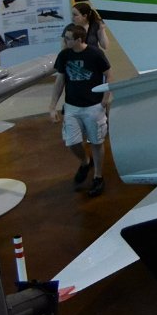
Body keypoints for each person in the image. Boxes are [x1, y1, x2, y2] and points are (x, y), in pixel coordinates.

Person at [49, 23, 112, 197]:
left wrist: (105, 99)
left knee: (96, 142)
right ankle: (85, 161)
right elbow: (60, 80)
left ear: (78, 40)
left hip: (93, 106)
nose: (65, 41)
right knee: (71, 142)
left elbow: (109, 74)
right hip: (72, 106)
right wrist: (52, 106)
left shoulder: (95, 54)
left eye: (68, 39)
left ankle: (98, 176)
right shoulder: (64, 55)